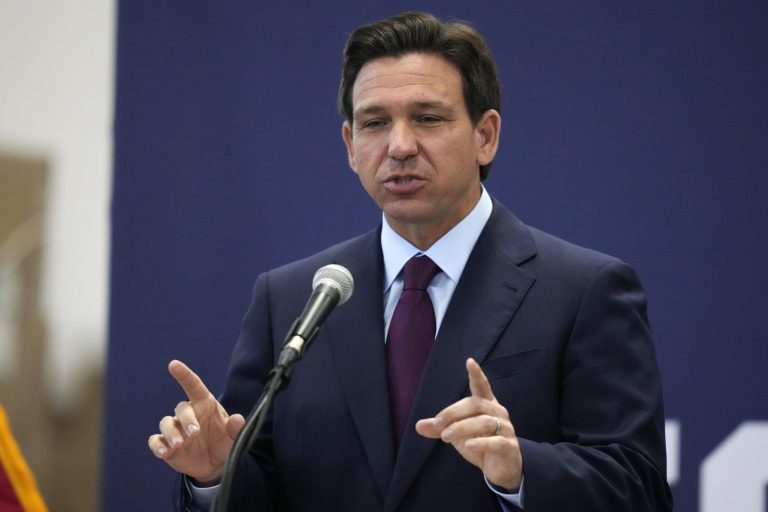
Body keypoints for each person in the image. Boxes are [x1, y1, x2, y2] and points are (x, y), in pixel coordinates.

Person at [148, 11, 673, 511]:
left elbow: (639, 488)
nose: (400, 146)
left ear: (485, 135)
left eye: (427, 118)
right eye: (375, 123)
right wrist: (214, 474)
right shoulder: (290, 299)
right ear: (351, 146)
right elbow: (261, 489)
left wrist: (519, 471)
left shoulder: (584, 290)